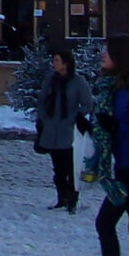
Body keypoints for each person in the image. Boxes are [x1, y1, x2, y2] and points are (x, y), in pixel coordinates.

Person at [91, 34, 129, 256]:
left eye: (107, 51)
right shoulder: (112, 89)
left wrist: (116, 128)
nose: (102, 55)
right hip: (123, 168)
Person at [36, 48, 93, 214]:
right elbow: (42, 100)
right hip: (52, 130)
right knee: (58, 169)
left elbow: (87, 103)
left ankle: (72, 199)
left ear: (66, 63)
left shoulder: (78, 82)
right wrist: (45, 117)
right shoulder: (50, 80)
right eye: (53, 60)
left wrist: (75, 118)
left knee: (71, 168)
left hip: (69, 131)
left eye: (57, 60)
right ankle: (61, 198)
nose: (54, 64)